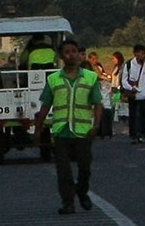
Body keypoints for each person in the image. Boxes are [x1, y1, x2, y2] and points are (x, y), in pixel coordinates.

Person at [35, 37, 105, 214]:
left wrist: (96, 126)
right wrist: (38, 129)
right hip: (61, 132)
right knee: (63, 170)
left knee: (85, 168)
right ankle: (68, 202)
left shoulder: (90, 78)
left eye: (74, 51)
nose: (71, 55)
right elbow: (45, 106)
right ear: (61, 56)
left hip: (83, 132)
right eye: (67, 52)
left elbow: (97, 104)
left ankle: (81, 192)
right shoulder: (53, 80)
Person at [121, 45, 145, 143]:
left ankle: (142, 133)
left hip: (144, 93)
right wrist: (130, 88)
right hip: (133, 93)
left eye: (143, 53)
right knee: (133, 114)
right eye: (140, 53)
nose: (142, 55)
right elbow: (124, 79)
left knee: (144, 114)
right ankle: (133, 134)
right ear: (135, 53)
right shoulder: (129, 64)